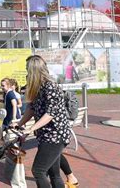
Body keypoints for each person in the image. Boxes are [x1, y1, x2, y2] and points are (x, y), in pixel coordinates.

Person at [18, 55, 71, 188]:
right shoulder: (37, 87)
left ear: (34, 70)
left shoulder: (50, 87)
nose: (26, 73)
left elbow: (50, 114)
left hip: (55, 135)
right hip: (46, 135)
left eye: (27, 70)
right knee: (54, 173)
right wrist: (19, 123)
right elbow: (31, 108)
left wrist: (31, 129)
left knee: (38, 170)